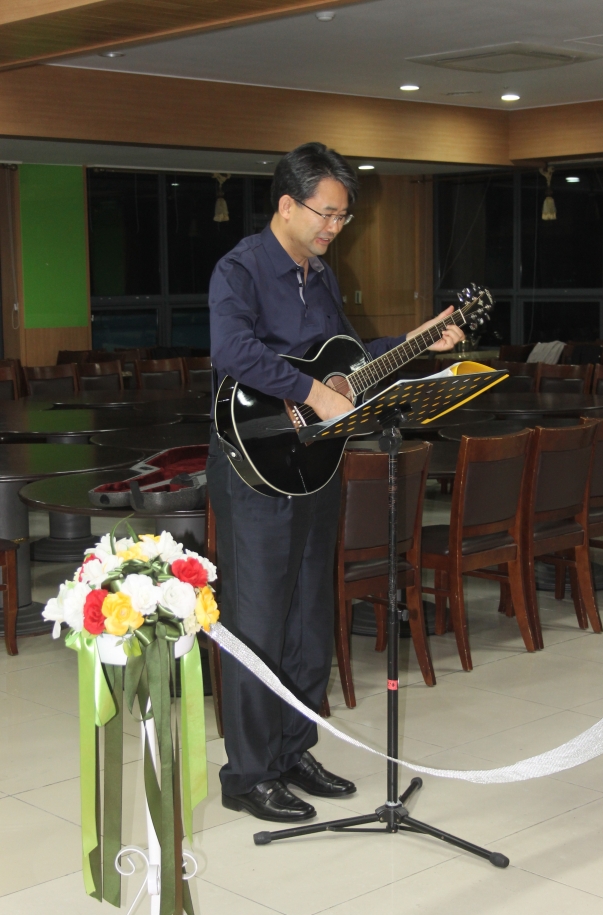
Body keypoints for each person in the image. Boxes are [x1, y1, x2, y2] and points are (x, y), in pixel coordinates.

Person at [206, 142, 464, 823]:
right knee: (257, 624)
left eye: (343, 217)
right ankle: (248, 773)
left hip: (314, 464)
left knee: (309, 619)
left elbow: (347, 361)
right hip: (256, 465)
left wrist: (415, 341)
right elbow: (233, 351)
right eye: (327, 214)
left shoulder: (319, 275)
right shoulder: (240, 268)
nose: (335, 228)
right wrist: (310, 393)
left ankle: (294, 750)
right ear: (287, 205)